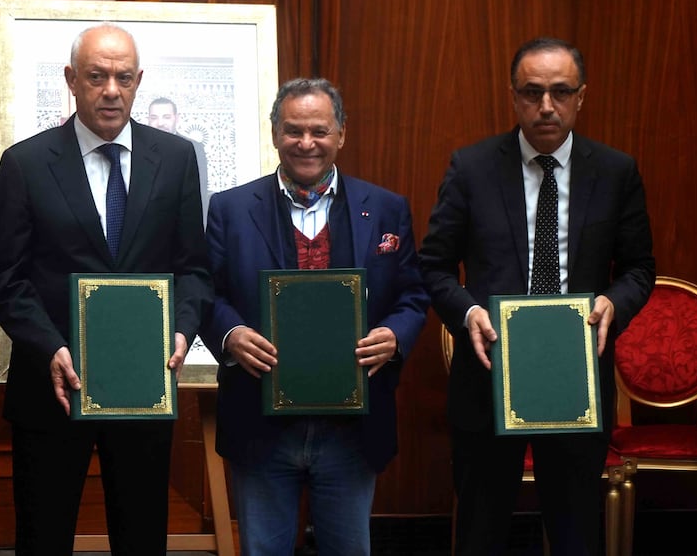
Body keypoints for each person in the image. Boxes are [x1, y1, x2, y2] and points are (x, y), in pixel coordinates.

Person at [419, 38, 655, 555]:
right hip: (487, 380)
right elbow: (433, 266)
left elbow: (639, 268)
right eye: (532, 92)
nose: (546, 106)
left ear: (581, 96)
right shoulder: (472, 167)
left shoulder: (615, 172)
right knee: (481, 531)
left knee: (575, 533)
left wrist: (615, 302)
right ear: (513, 97)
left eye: (560, 92)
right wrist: (468, 310)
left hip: (578, 382)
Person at [0, 23, 213, 555]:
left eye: (122, 77)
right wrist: (50, 348)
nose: (110, 90)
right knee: (43, 538)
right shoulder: (24, 163)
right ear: (72, 79)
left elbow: (194, 268)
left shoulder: (177, 159)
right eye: (96, 76)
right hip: (52, 387)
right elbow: (5, 279)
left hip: (144, 385)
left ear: (138, 81)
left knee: (141, 538)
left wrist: (184, 330)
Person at [199, 77, 429, 555]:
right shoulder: (230, 208)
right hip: (260, 427)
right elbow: (205, 293)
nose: (306, 143)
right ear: (275, 134)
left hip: (352, 431)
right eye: (293, 130)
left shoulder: (386, 209)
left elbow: (412, 294)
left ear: (342, 134)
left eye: (320, 131)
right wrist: (230, 333)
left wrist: (394, 334)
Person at [147, 96, 211, 219]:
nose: (160, 123)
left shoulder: (193, 148)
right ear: (148, 120)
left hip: (181, 218)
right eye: (154, 118)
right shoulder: (137, 146)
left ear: (176, 119)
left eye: (166, 117)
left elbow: (200, 190)